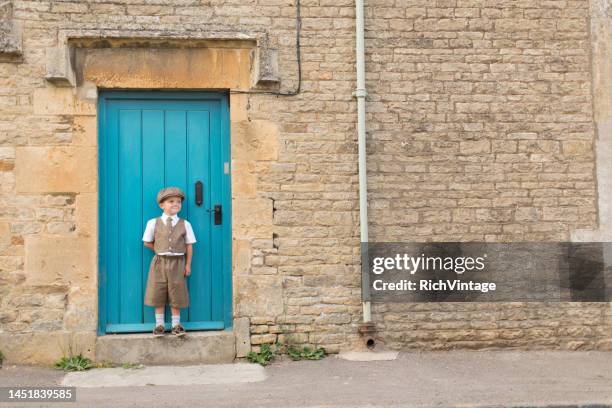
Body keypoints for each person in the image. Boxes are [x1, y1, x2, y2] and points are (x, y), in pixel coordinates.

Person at [142, 187, 197, 337]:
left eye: (178, 202)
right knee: (157, 290)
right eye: (171, 201)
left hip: (178, 262)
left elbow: (189, 245)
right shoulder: (153, 222)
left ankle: (176, 325)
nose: (175, 204)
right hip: (159, 262)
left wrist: (188, 264)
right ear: (162, 205)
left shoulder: (185, 224)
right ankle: (159, 325)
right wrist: (159, 251)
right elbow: (147, 242)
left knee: (176, 292)